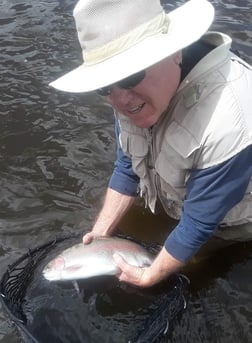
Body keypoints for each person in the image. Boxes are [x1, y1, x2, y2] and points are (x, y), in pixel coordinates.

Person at [50, 0, 252, 288]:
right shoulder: (131, 98)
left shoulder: (231, 118)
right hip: (185, 205)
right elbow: (127, 167)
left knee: (193, 274)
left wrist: (149, 276)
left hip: (230, 225)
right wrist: (101, 234)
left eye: (131, 75)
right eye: (104, 86)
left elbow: (200, 223)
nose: (119, 100)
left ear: (174, 52)